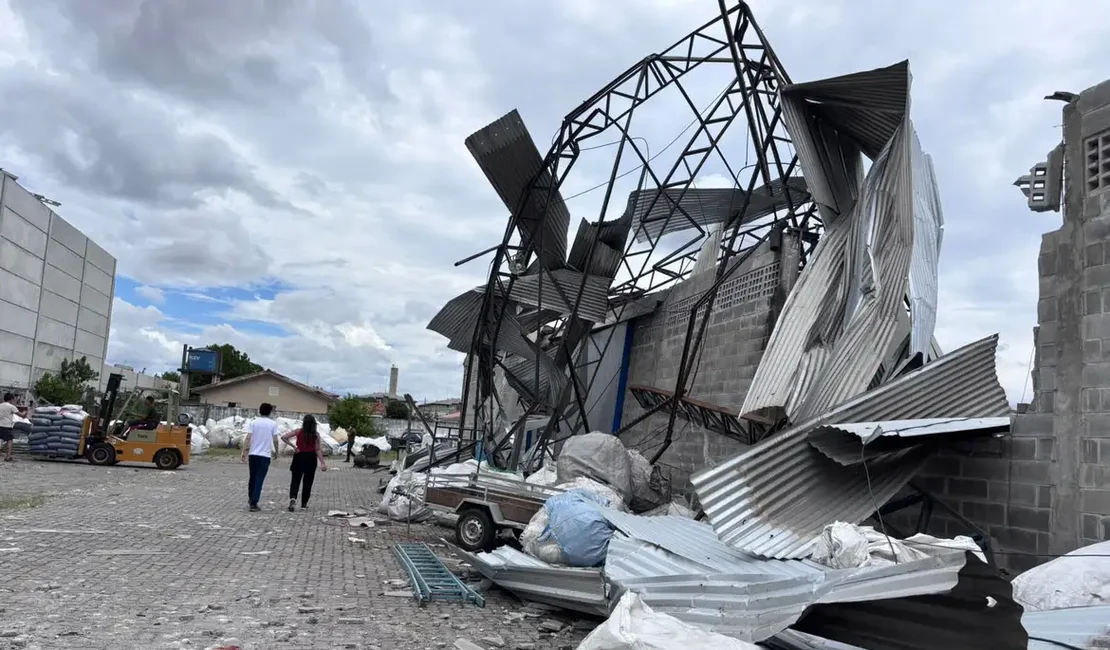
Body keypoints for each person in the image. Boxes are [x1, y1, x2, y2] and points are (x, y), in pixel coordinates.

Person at [280, 414, 327, 511]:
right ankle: (304, 503)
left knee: (295, 480)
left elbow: (284, 437)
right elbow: (317, 449)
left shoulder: (298, 431)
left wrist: (294, 447)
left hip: (299, 456)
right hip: (311, 458)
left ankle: (293, 498)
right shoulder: (316, 435)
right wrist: (322, 463)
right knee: (308, 481)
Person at [241, 402, 280, 512]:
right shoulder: (273, 424)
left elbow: (248, 437)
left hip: (253, 454)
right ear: (270, 412)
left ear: (260, 411)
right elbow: (275, 440)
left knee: (252, 477)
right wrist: (276, 451)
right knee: (259, 479)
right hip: (265, 456)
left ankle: (251, 497)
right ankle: (254, 502)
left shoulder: (253, 422)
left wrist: (244, 451)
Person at [0, 393, 25, 462]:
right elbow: (21, 415)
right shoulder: (11, 406)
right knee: (9, 441)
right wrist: (25, 412)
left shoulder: (0, 405)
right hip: (6, 426)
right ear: (11, 399)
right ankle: (8, 457)